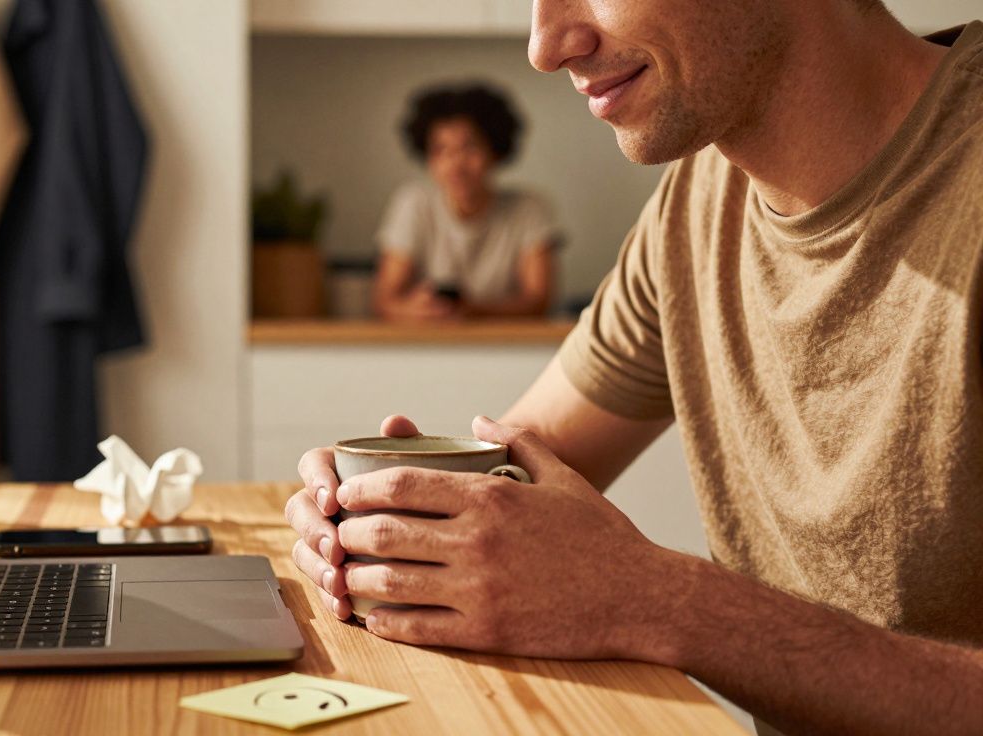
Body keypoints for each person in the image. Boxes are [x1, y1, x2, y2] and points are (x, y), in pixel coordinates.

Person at [285, 2, 983, 734]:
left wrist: (662, 602)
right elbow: (517, 465)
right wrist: (373, 516)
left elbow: (627, 588)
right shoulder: (699, 200)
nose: (546, 46)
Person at [372, 83, 562, 321]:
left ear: (494, 151)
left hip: (506, 349)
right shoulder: (413, 205)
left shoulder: (529, 210)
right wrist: (416, 308)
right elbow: (385, 301)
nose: (455, 164)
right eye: (441, 150)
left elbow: (538, 302)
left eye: (469, 147)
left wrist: (474, 310)